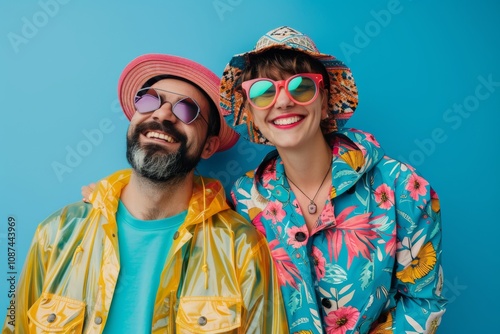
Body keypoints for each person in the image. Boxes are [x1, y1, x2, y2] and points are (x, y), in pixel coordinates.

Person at [3, 54, 288, 333]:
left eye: (187, 110)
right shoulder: (57, 234)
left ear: (209, 147)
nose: (162, 114)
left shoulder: (240, 247)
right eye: (149, 100)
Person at [219, 26, 447, 333]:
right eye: (263, 91)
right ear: (251, 112)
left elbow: (423, 302)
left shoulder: (403, 187)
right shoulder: (243, 199)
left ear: (325, 101)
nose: (283, 102)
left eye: (301, 87)